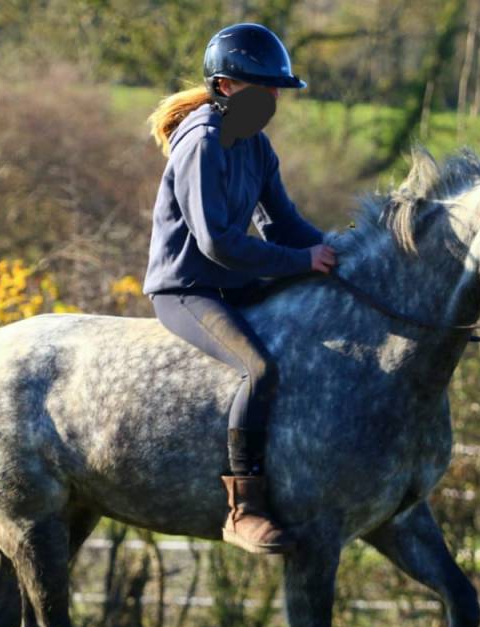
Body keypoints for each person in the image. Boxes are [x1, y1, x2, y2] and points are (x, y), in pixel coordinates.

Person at [144, 22, 337, 555]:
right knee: (261, 368)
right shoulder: (203, 143)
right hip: (189, 288)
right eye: (265, 87)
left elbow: (283, 225)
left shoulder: (254, 143)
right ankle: (243, 509)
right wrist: (302, 260)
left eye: (277, 88)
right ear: (226, 86)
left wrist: (343, 254)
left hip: (235, 283)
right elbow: (218, 245)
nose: (274, 97)